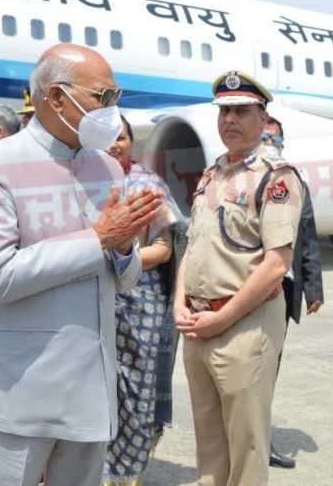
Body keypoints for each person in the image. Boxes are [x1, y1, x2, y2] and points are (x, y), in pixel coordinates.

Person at [0, 43, 163, 486]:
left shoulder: (108, 167)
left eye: (115, 97)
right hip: (19, 391)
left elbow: (122, 280)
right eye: (101, 97)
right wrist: (99, 239)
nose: (112, 110)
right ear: (54, 97)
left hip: (89, 391)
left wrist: (124, 247)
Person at [175, 70, 303, 486]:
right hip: (199, 327)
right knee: (210, 448)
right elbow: (194, 245)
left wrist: (222, 318)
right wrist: (179, 302)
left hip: (243, 329)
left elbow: (276, 265)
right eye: (224, 111)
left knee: (246, 450)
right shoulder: (213, 175)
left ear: (263, 118)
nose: (230, 119)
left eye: (241, 111)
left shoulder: (275, 177)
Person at [102, 116, 186, 486]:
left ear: (132, 142)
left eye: (120, 138)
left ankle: (127, 474)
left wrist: (115, 261)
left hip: (140, 306)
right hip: (97, 304)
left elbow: (165, 249)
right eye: (105, 138)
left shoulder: (147, 184)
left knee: (136, 393)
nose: (113, 145)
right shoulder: (82, 181)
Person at [261, 116, 324, 470]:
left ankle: (260, 439)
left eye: (276, 137)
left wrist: (312, 287)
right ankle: (244, 441)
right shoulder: (240, 177)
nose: (271, 143)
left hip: (282, 290)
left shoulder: (294, 180)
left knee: (269, 366)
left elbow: (307, 236)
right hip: (243, 291)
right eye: (266, 136)